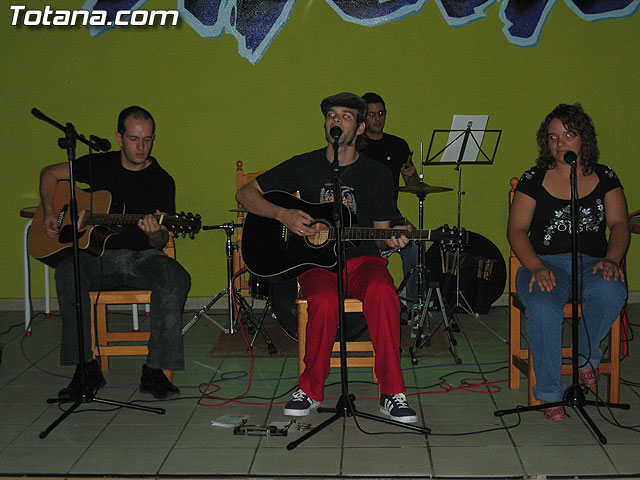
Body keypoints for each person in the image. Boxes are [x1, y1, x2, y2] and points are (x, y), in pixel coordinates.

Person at [236, 92, 418, 423]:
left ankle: (392, 392)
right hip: (317, 265)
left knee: (384, 294)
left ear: (361, 128)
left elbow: (379, 237)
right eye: (331, 115)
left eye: (345, 116)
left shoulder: (376, 174)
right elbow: (245, 194)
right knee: (322, 300)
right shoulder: (304, 164)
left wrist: (392, 238)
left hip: (364, 261)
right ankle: (311, 389)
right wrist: (283, 215)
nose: (335, 120)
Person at [39, 106, 191, 400]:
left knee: (176, 277)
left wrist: (154, 232)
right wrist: (49, 211)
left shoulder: (162, 180)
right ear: (119, 138)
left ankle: (155, 371)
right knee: (67, 272)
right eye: (134, 139)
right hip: (96, 258)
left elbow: (160, 242)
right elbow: (50, 174)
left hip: (142, 259)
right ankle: (85, 369)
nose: (141, 147)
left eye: (147, 139)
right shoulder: (100, 165)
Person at [507, 103, 628, 420]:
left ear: (583, 139)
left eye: (568, 135)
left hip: (592, 262)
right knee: (544, 308)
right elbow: (516, 230)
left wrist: (613, 259)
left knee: (611, 290)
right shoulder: (534, 178)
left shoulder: (605, 176)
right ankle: (549, 393)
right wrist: (536, 266)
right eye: (553, 137)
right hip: (544, 264)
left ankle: (586, 357)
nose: (560, 144)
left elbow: (619, 225)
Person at [360, 93, 420, 312]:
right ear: (363, 117)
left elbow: (413, 185)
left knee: (414, 244)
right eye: (372, 114)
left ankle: (413, 304)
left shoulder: (398, 145)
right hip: (361, 219)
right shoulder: (356, 146)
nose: (378, 119)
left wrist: (412, 174)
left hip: (391, 215)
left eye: (381, 113)